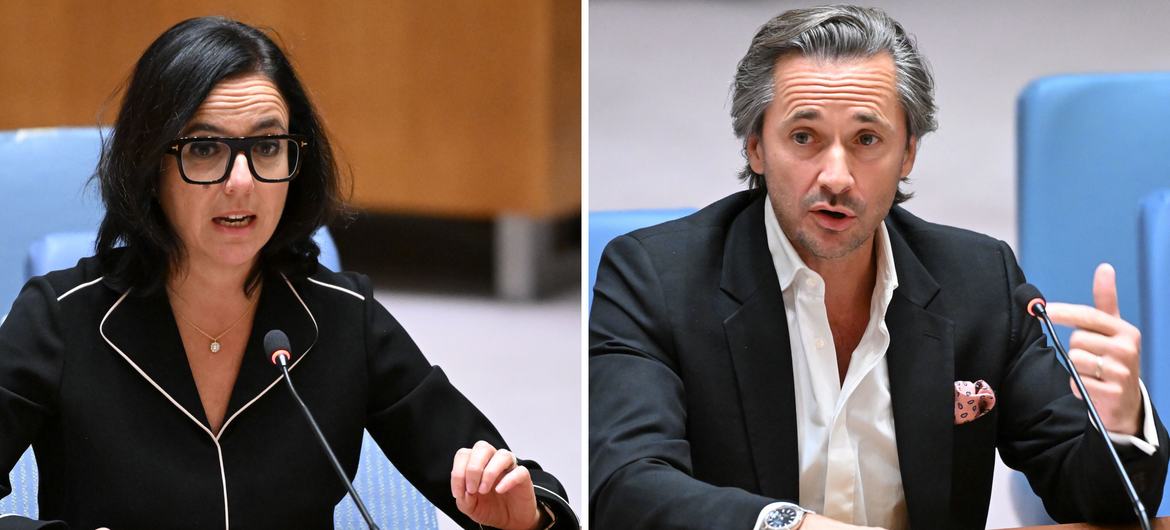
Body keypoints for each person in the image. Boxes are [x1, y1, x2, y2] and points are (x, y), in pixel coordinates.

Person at [589, 5, 1168, 530]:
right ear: (756, 148)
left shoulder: (979, 280)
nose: (836, 176)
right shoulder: (654, 281)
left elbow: (1093, 502)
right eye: (804, 137)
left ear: (908, 152)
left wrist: (1118, 425)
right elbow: (628, 488)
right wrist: (792, 527)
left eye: (867, 139)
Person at [0, 17, 575, 530]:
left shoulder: (344, 318)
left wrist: (525, 520)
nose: (242, 181)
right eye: (205, 149)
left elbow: (516, 483)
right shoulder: (61, 318)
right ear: (150, 166)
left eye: (268, 146)